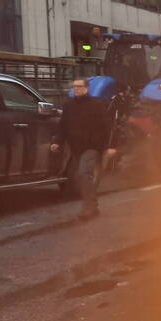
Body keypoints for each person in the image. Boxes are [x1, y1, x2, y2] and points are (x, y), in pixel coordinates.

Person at [50, 79, 117, 220]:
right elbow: (63, 126)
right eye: (74, 87)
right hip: (76, 148)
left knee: (84, 173)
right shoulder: (68, 105)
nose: (77, 89)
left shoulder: (97, 104)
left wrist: (111, 146)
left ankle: (88, 208)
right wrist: (57, 141)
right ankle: (93, 206)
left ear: (87, 88)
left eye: (80, 86)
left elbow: (108, 126)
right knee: (82, 177)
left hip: (93, 147)